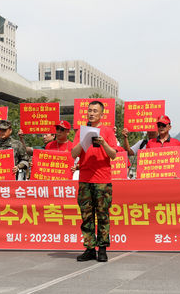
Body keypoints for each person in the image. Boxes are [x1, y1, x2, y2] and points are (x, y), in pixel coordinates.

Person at [71, 100, 117, 262]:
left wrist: (103, 142)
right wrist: (83, 142)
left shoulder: (108, 131)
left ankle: (102, 248)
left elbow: (113, 154)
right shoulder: (81, 131)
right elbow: (73, 154)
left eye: (95, 111)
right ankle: (89, 248)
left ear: (101, 114)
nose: (91, 113)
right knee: (86, 215)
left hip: (102, 179)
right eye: (89, 110)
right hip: (85, 179)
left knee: (103, 214)